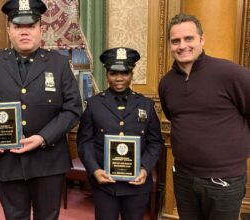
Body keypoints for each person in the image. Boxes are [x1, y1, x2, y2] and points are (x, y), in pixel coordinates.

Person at [0, 0, 82, 219]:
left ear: (40, 29)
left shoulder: (58, 64)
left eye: (30, 26)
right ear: (9, 30)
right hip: (7, 161)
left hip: (48, 161)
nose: (24, 32)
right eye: (17, 26)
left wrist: (42, 137)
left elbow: (73, 109)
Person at [158, 13, 250, 220]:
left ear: (201, 39)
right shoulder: (166, 84)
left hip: (224, 181)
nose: (182, 46)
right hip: (183, 178)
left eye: (188, 38)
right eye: (175, 41)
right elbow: (176, 119)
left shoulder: (231, 73)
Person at [77, 47, 163, 220]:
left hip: (136, 184)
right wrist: (94, 170)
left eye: (124, 73)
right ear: (107, 74)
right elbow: (84, 142)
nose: (119, 78)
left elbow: (155, 142)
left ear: (131, 74)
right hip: (105, 183)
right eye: (113, 73)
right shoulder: (94, 104)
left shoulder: (145, 105)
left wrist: (145, 169)